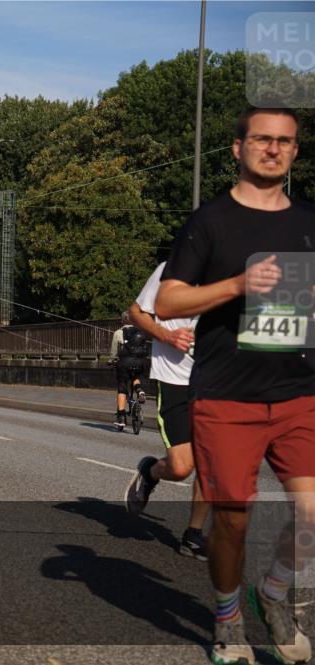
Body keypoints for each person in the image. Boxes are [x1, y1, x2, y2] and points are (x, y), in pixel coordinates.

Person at [155, 106, 313, 665]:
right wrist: (237, 284)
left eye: (285, 142)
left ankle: (271, 597)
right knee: (232, 520)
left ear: (295, 151)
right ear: (238, 148)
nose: (273, 149)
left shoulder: (308, 222)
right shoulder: (211, 222)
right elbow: (168, 301)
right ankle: (228, 623)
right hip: (227, 397)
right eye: (262, 139)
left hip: (300, 394)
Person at [124, 261, 209, 561]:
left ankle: (193, 534)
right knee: (182, 466)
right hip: (174, 379)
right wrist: (165, 335)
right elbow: (136, 312)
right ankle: (151, 471)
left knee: (213, 461)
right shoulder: (172, 269)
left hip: (218, 382)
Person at [109, 310, 149, 430]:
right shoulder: (140, 332)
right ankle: (139, 390)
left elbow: (114, 352)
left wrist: (111, 361)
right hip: (140, 362)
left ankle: (120, 418)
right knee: (136, 377)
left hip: (125, 363)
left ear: (122, 321)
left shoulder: (118, 333)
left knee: (122, 388)